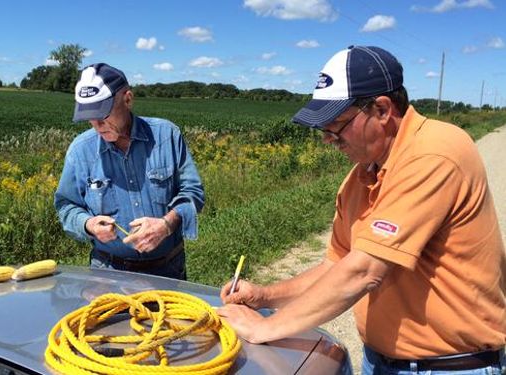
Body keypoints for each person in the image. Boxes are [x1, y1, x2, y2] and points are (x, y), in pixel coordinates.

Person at [218, 45, 506, 374]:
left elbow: (364, 271)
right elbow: (337, 265)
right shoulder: (361, 176)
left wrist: (263, 328)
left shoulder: (435, 153)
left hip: (448, 367)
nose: (328, 139)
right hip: (380, 361)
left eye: (336, 125)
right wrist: (265, 296)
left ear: (382, 110)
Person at [54, 63, 204, 280]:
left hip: (168, 270)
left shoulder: (166, 136)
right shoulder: (81, 150)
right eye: (89, 117)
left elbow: (193, 193)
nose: (97, 125)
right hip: (107, 273)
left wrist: (166, 224)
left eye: (103, 114)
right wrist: (88, 224)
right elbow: (66, 205)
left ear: (127, 99)